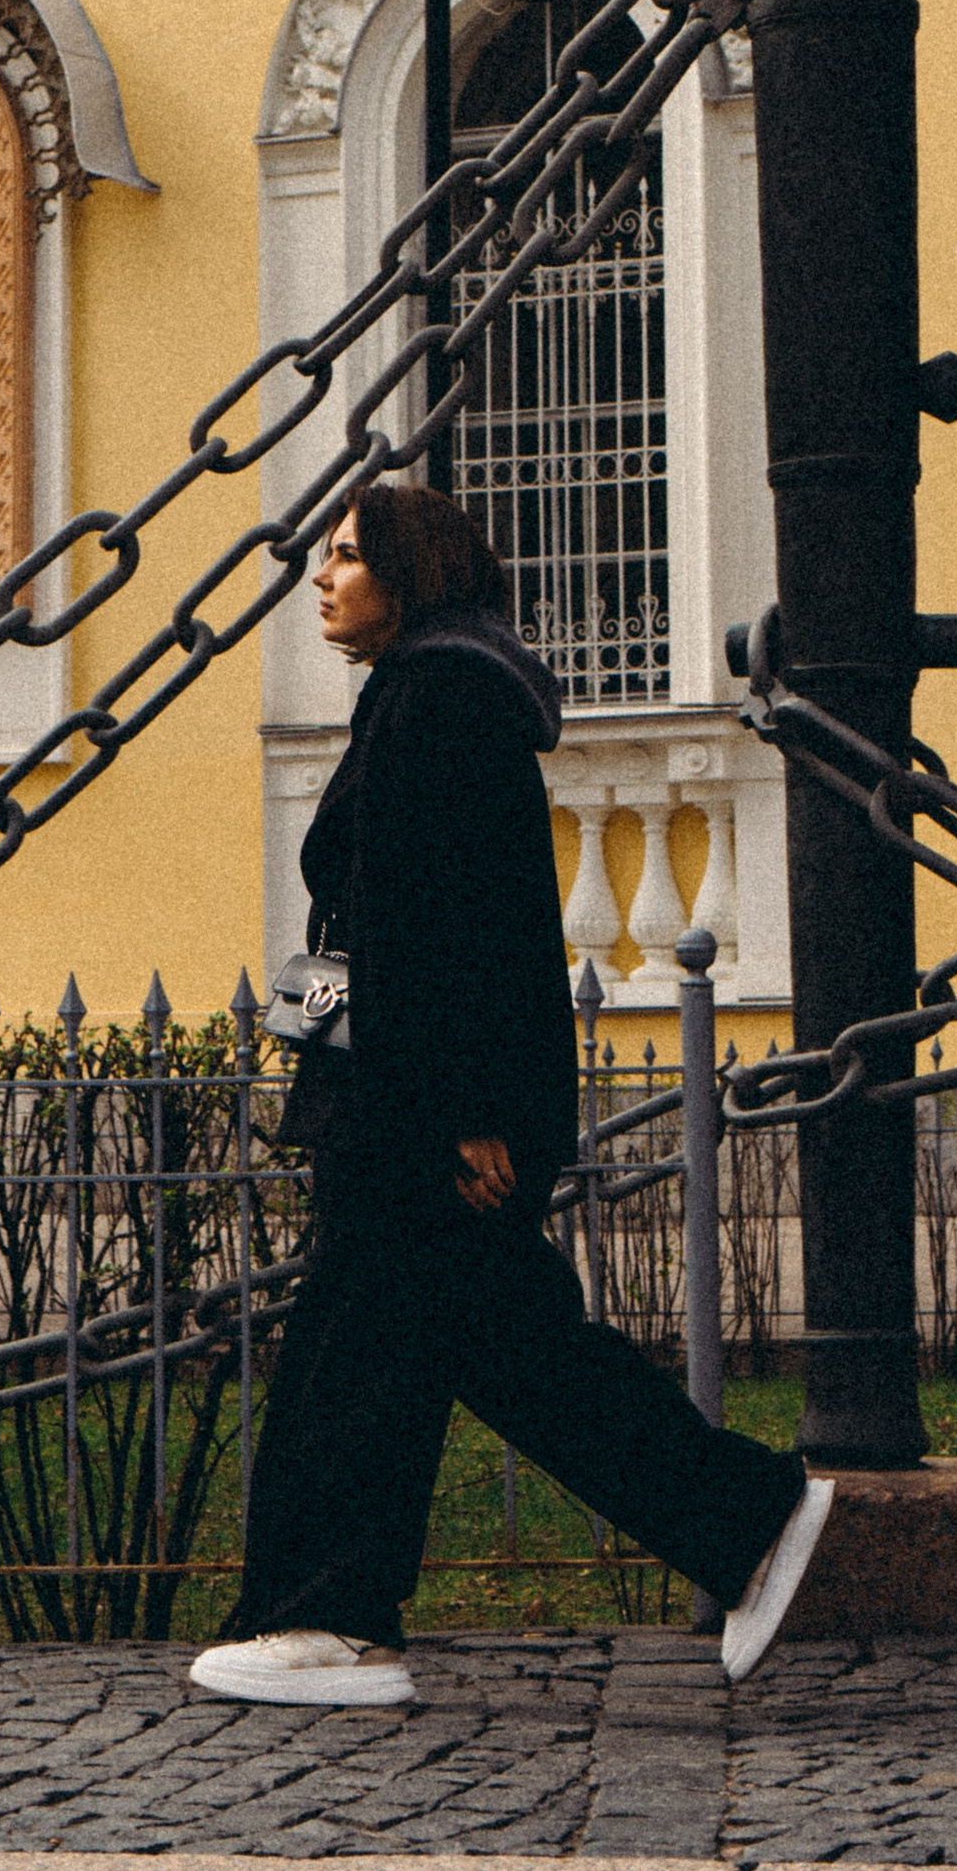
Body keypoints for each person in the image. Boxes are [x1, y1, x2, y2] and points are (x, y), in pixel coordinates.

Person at [188, 480, 833, 1710]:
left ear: (409, 572)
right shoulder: (436, 689)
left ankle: (328, 1617)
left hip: (419, 1105)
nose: (320, 580)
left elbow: (454, 922)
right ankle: (747, 1518)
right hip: (420, 1092)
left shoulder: (439, 696)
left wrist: (461, 1111)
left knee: (362, 1348)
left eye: (342, 558)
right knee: (499, 1345)